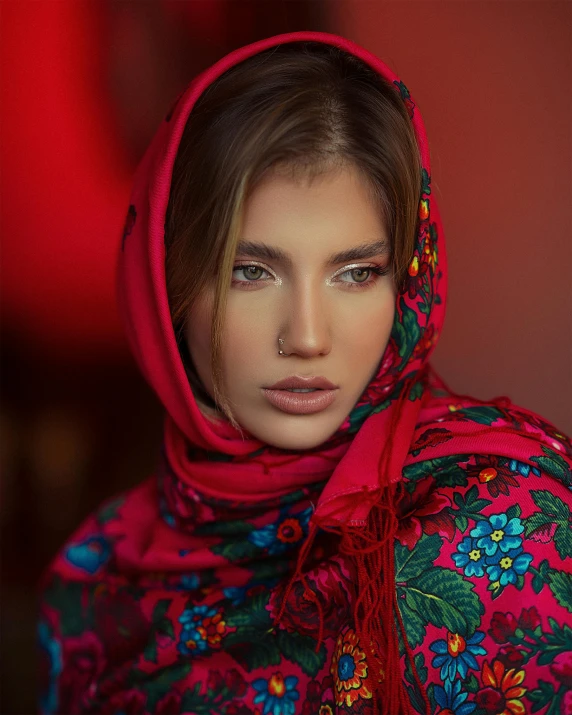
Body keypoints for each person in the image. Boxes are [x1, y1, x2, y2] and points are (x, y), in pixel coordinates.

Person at [37, 31, 572, 715]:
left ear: (408, 281)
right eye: (250, 271)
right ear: (165, 277)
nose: (309, 336)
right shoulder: (95, 582)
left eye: (356, 273)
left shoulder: (509, 523)